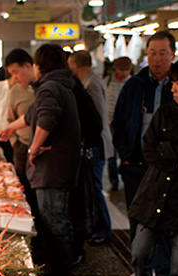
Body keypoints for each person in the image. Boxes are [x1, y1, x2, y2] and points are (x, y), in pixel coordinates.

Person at [0, 44, 81, 276]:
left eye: (17, 71)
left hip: (53, 170)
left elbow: (45, 119)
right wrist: (11, 128)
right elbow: (32, 115)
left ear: (35, 65)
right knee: (53, 221)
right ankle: (59, 270)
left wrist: (33, 148)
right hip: (59, 167)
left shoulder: (49, 88)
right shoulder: (60, 86)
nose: (15, 77)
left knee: (55, 223)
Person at [123, 58, 178, 276]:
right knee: (140, 252)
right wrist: (173, 159)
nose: (173, 88)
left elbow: (160, 150)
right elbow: (149, 148)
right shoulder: (165, 113)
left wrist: (167, 151)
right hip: (155, 194)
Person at [112, 30, 174, 276]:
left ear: (172, 55)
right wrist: (126, 154)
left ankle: (164, 273)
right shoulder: (134, 85)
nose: (156, 59)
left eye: (162, 53)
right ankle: (140, 270)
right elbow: (118, 122)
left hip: (169, 170)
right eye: (152, 53)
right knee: (137, 218)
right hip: (136, 165)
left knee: (167, 221)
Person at [68, 50, 112, 245]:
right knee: (93, 188)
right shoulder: (90, 81)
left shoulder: (91, 83)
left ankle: (103, 230)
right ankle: (97, 227)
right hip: (95, 142)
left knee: (95, 188)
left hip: (97, 144)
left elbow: (97, 119)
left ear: (76, 65)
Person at [4, 49, 37, 216]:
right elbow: (10, 119)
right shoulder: (15, 91)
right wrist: (15, 143)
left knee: (41, 196)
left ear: (28, 66)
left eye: (16, 72)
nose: (14, 77)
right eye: (11, 74)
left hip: (42, 151)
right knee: (24, 192)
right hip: (22, 148)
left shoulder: (43, 89)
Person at [107, 56, 133, 190]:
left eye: (125, 70)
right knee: (111, 156)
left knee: (124, 154)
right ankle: (114, 181)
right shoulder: (108, 81)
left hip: (125, 125)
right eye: (120, 70)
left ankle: (125, 177)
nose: (122, 73)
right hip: (110, 123)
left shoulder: (133, 83)